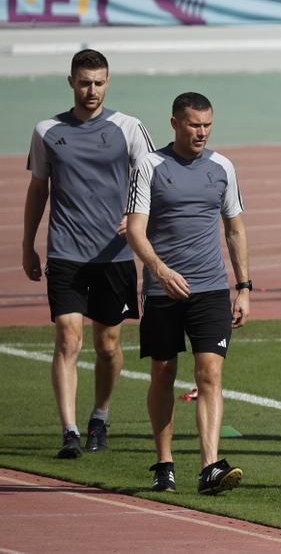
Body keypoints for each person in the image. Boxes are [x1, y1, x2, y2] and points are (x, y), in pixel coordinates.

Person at [23, 49, 154, 459]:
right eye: (84, 82)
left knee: (109, 346)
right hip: (65, 252)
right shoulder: (47, 131)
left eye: (98, 82)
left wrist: (134, 216)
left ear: (107, 82)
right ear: (71, 82)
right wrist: (27, 244)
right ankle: (70, 431)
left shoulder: (128, 127)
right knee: (68, 339)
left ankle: (100, 415)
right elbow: (38, 190)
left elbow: (154, 177)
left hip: (114, 256)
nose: (91, 90)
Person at [125, 92, 249, 494]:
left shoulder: (222, 166)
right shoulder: (150, 166)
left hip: (211, 288)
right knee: (163, 373)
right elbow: (135, 230)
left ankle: (210, 467)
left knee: (209, 373)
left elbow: (234, 228)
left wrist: (243, 287)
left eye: (207, 125)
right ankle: (164, 463)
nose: (202, 132)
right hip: (163, 291)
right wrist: (160, 272)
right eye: (194, 124)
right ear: (175, 123)